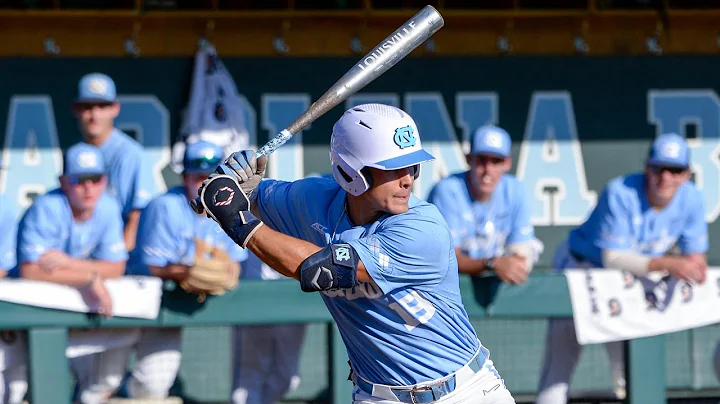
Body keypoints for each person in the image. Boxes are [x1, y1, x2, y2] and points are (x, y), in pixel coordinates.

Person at [196, 103, 516, 404]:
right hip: (376, 394)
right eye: (394, 168)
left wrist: (237, 219)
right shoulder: (313, 199)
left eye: (413, 165)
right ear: (352, 172)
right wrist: (231, 183)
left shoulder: (423, 228)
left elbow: (316, 269)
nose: (408, 179)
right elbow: (224, 199)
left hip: (462, 392)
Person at [535, 133, 708, 404]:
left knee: (631, 370)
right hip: (582, 269)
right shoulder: (622, 191)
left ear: (686, 174)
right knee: (560, 367)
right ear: (646, 168)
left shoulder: (692, 199)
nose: (665, 177)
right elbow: (612, 258)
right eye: (658, 168)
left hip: (631, 280)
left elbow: (696, 259)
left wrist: (691, 266)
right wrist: (671, 264)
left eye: (674, 170)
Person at [120, 140, 247, 399]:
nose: (204, 184)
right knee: (101, 379)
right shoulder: (165, 206)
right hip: (135, 306)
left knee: (153, 384)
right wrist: (188, 272)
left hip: (173, 310)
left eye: (212, 177)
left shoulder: (229, 208)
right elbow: (153, 266)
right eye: (198, 176)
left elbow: (234, 262)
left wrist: (228, 272)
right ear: (185, 177)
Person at [9, 143, 127, 404]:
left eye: (95, 179)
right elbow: (30, 271)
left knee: (98, 383)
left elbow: (116, 267)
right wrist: (89, 277)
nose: (88, 188)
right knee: (18, 391)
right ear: (63, 182)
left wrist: (68, 263)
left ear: (104, 180)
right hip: (30, 312)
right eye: (79, 180)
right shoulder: (48, 207)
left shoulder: (107, 207)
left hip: (82, 309)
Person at [427, 125, 538, 284]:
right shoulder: (448, 190)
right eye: (481, 160)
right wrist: (492, 264)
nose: (488, 170)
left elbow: (520, 258)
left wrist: (504, 263)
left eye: (496, 161)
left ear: (507, 164)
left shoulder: (516, 190)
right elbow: (445, 260)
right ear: (468, 159)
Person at [72, 72, 154, 251]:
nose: (94, 115)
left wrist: (119, 256)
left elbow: (138, 213)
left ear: (115, 108)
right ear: (75, 109)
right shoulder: (74, 154)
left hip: (121, 253)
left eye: (102, 106)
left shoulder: (131, 154)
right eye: (87, 107)